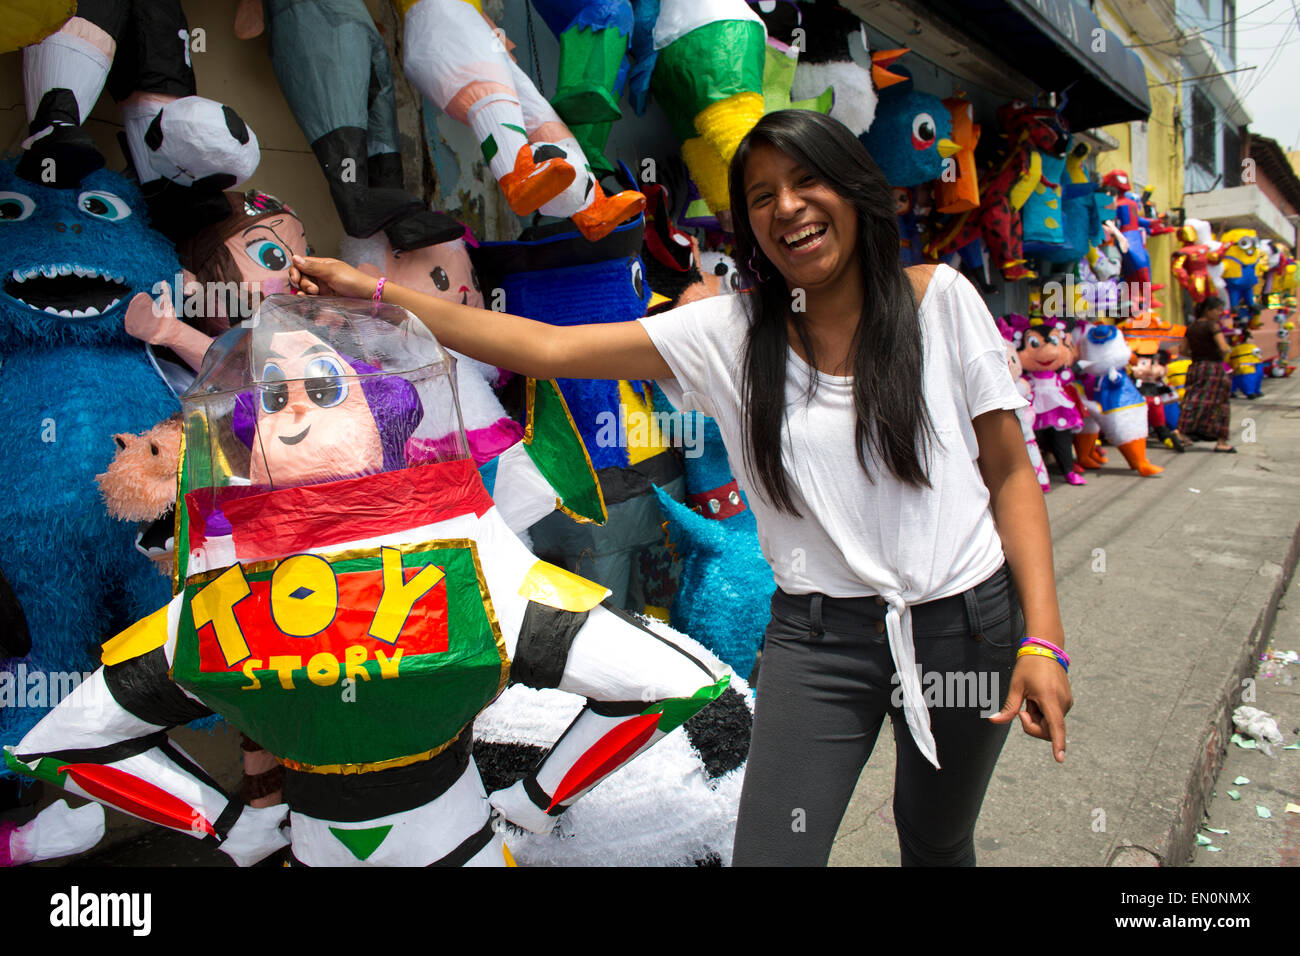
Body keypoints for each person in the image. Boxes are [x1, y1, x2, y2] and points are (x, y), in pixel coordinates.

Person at [289, 109, 1073, 867]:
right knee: (771, 853)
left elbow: (1008, 473)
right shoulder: (729, 332)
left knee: (935, 841)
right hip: (818, 643)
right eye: (762, 197)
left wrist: (1043, 640)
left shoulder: (939, 301)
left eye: (807, 182)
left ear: (855, 189)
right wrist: (377, 294)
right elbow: (547, 347)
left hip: (965, 625)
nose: (788, 208)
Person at [1178, 297, 1235, 453]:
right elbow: (1223, 348)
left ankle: (1182, 432)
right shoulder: (1212, 326)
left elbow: (1182, 350)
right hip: (1214, 368)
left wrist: (1197, 355)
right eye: (1217, 310)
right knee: (1220, 403)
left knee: (1192, 398)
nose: (1219, 313)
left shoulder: (1191, 327)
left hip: (1196, 367)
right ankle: (1222, 441)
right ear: (1208, 310)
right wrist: (1225, 352)